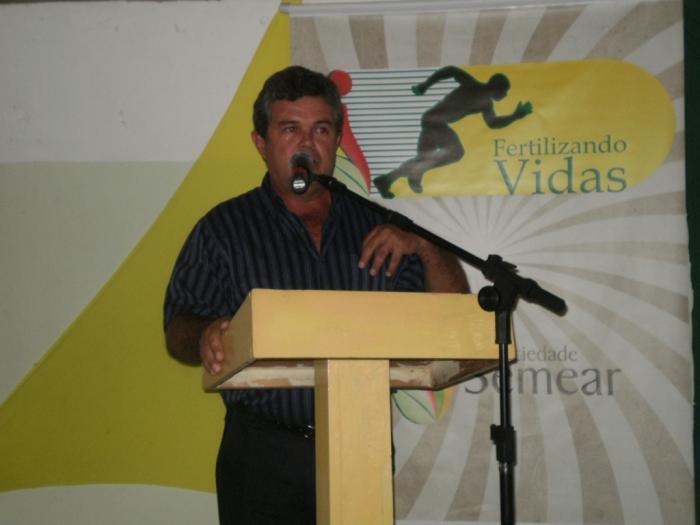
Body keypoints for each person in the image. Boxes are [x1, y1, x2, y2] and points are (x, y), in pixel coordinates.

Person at [163, 65, 468, 525]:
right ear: (261, 143)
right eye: (290, 129)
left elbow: (452, 322)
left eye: (321, 130)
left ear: (336, 141)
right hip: (263, 454)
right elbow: (178, 328)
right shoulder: (223, 229)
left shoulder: (381, 228)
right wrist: (204, 334)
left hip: (361, 446)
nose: (307, 144)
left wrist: (425, 247)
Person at [374, 66, 533, 198]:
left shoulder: (486, 104)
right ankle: (405, 176)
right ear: (496, 88)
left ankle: (397, 178)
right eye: (504, 91)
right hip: (436, 122)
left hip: (432, 121)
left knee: (423, 159)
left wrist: (515, 116)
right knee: (455, 153)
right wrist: (426, 84)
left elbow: (493, 123)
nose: (505, 95)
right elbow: (451, 70)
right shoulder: (472, 85)